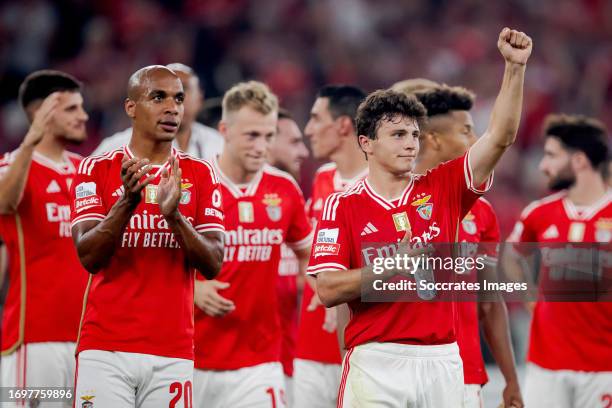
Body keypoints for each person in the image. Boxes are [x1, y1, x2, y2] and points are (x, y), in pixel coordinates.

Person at [307, 28, 532, 407]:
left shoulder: (442, 188)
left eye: (414, 134)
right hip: (376, 361)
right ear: (367, 143)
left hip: (442, 360)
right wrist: (393, 265)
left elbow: (499, 136)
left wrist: (514, 68)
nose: (410, 143)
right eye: (397, 134)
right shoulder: (341, 204)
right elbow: (327, 289)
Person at [71, 65, 225, 406]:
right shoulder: (96, 169)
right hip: (105, 349)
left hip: (173, 351)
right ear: (131, 107)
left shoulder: (200, 174)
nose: (172, 107)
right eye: (158, 97)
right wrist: (127, 202)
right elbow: (88, 256)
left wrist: (175, 218)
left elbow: (214, 263)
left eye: (179, 99)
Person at [192, 81, 313, 408]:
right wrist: (192, 290)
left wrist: (309, 285)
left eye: (269, 136)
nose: (262, 146)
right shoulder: (193, 184)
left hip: (260, 363)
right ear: (224, 131)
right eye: (251, 136)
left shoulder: (284, 189)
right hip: (192, 360)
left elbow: (308, 253)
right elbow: (155, 263)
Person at [413, 84, 523, 408]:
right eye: (466, 131)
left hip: (463, 372)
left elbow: (490, 302)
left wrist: (511, 379)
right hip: (400, 370)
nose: (475, 141)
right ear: (433, 139)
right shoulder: (389, 200)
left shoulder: (483, 212)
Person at [507, 114, 611, 408]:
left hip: (605, 367)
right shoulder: (538, 213)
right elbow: (512, 255)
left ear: (578, 161)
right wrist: (527, 292)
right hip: (546, 365)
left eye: (551, 155)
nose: (542, 165)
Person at [0, 70, 89, 407]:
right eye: (71, 109)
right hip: (35, 341)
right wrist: (30, 141)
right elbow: (4, 203)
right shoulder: (11, 165)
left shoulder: (87, 171)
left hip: (90, 341)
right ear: (42, 114)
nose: (84, 116)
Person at [292, 84, 367, 408]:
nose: (308, 129)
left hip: (362, 349)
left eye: (315, 118)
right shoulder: (322, 178)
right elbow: (308, 252)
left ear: (343, 126)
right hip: (309, 348)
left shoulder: (381, 185)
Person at [93, 63, 224, 159]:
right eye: (161, 95)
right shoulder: (117, 147)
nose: (172, 103)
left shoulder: (219, 145)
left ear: (200, 99)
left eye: (182, 91)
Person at [268, 107, 310, 405]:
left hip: (293, 361)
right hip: (227, 361)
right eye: (294, 141)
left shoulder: (300, 207)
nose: (304, 151)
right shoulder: (220, 199)